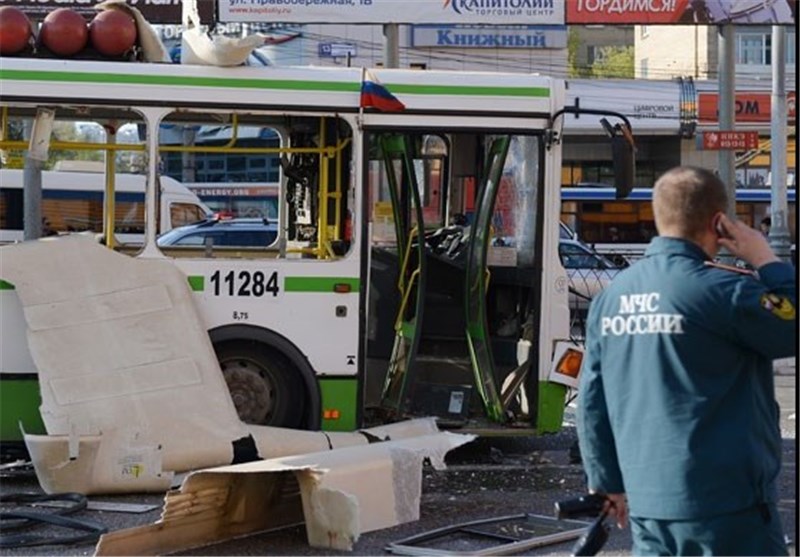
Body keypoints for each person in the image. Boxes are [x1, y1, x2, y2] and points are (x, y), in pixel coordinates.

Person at [577, 166, 796, 556]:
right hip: (729, 505)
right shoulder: (725, 292)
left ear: (658, 217)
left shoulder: (611, 298)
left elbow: (593, 400)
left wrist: (606, 481)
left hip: (649, 504)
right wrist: (767, 259)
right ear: (719, 222)